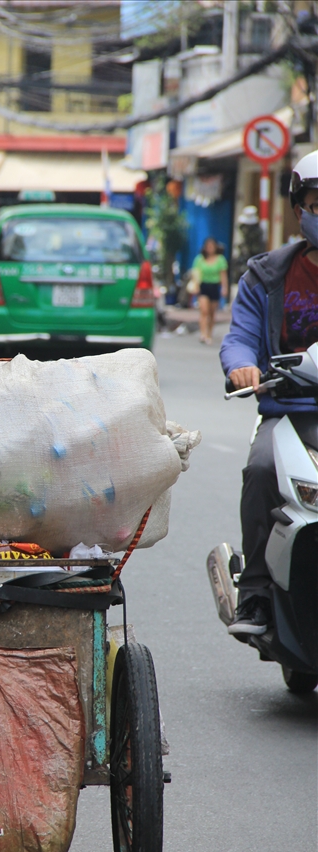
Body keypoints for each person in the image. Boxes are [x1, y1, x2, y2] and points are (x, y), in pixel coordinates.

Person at [220, 149, 318, 639]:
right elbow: (240, 335)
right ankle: (256, 594)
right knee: (260, 471)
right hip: (287, 411)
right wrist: (241, 365)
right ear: (300, 210)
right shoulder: (266, 275)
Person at [192, 237, 228, 344]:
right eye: (208, 246)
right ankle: (203, 334)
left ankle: (209, 333)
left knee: (212, 313)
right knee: (204, 311)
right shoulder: (199, 259)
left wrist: (224, 288)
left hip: (214, 286)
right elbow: (196, 273)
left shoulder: (220, 259)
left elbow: (223, 275)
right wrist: (196, 285)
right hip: (203, 286)